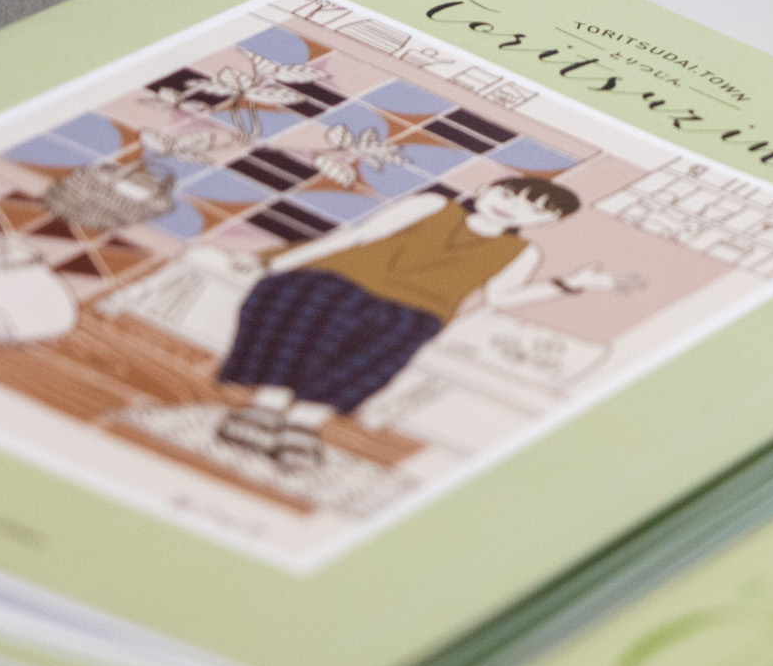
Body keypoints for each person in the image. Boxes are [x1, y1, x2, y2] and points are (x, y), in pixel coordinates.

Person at [212, 176, 622, 471]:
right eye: (508, 194)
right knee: (311, 315)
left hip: (417, 309)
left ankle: (305, 423)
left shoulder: (522, 252)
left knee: (384, 349)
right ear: (485, 188)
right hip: (343, 279)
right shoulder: (434, 206)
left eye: (532, 209)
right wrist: (275, 263)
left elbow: (500, 297)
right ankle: (265, 409)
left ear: (546, 223)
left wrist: (569, 285)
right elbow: (358, 236)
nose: (511, 207)